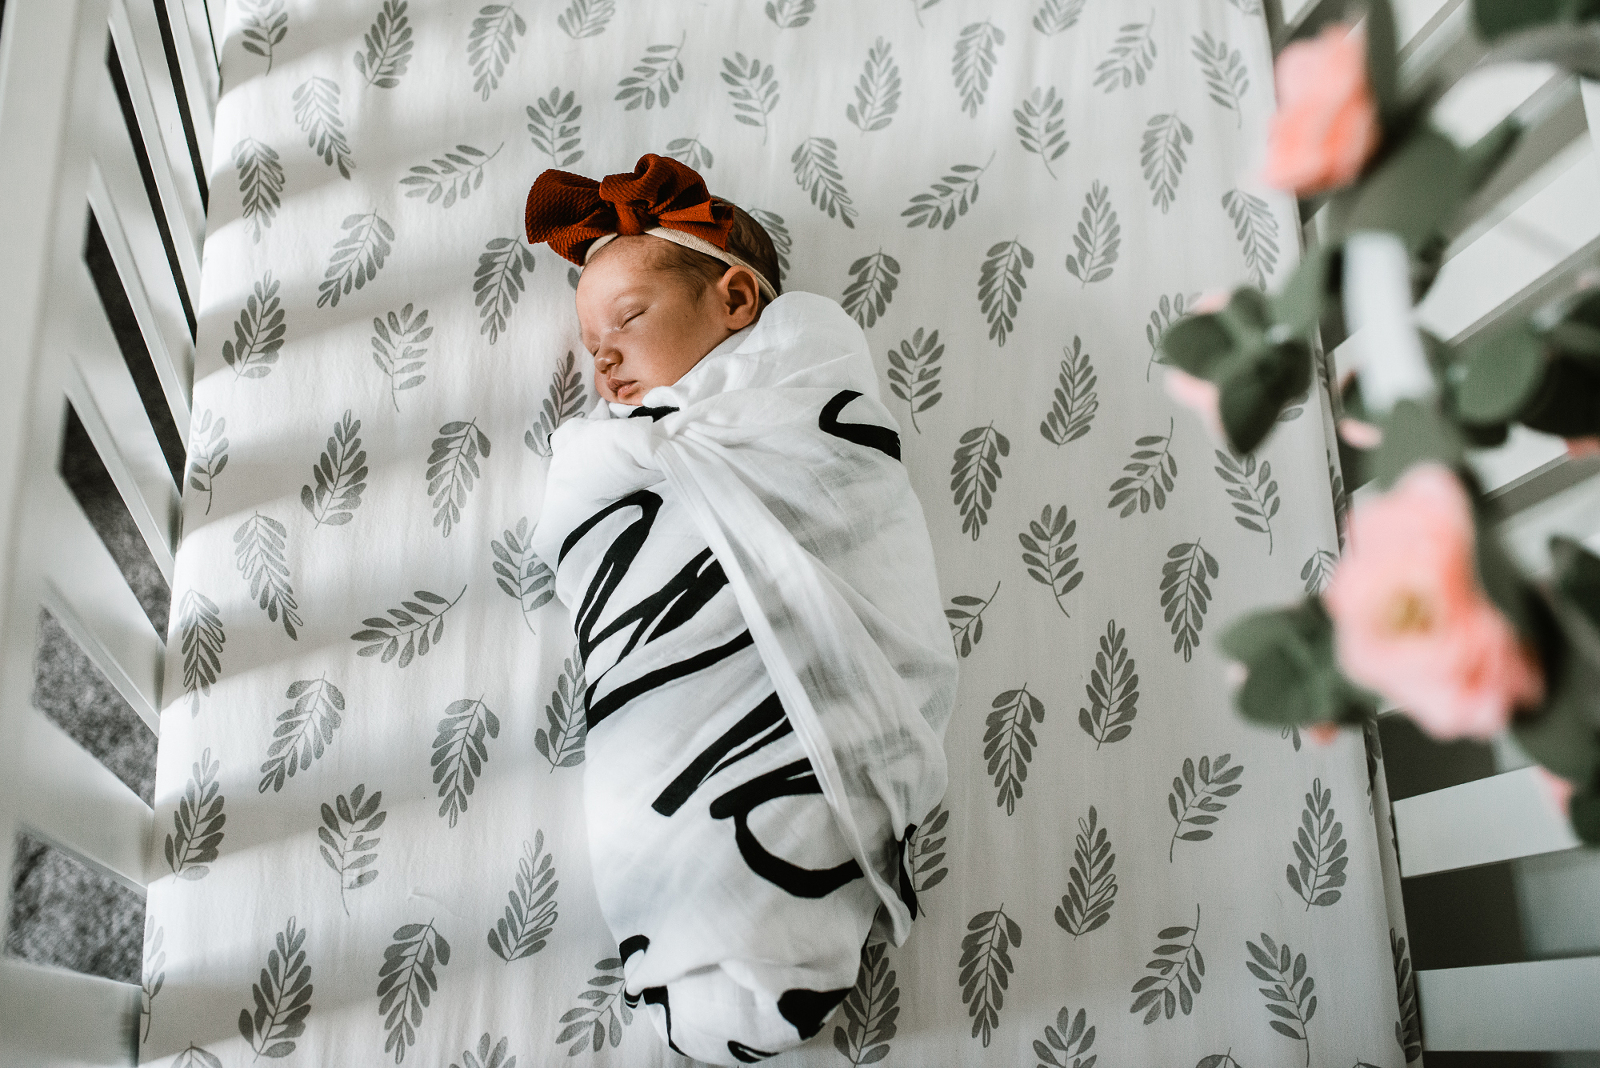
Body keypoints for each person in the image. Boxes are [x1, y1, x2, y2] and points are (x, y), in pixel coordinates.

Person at [526, 154, 955, 1066]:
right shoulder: (622, 452)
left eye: (628, 318)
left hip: (816, 687)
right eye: (588, 335)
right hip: (675, 685)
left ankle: (777, 917)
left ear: (736, 301)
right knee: (657, 754)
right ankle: (696, 924)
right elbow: (599, 554)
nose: (599, 356)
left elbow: (859, 520)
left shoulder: (804, 394)